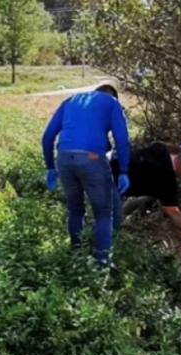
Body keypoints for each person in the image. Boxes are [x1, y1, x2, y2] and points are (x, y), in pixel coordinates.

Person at [42, 84, 131, 265]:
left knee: (75, 209)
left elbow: (47, 136)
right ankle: (102, 262)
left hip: (64, 158)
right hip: (92, 158)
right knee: (104, 212)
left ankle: (77, 255)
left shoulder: (70, 101)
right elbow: (122, 140)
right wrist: (123, 171)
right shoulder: (112, 103)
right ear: (113, 96)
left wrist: (50, 167)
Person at [110, 140, 181, 248]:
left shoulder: (160, 150)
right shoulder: (167, 182)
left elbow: (165, 146)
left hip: (110, 164)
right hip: (110, 183)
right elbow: (174, 213)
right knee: (113, 220)